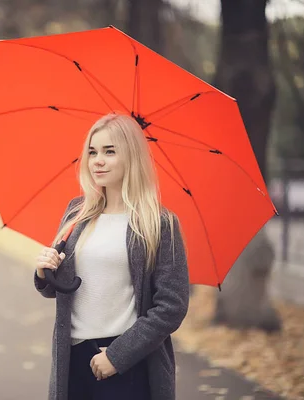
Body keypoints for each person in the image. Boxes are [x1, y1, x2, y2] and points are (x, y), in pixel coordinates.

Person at [33, 112, 190, 400]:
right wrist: (45, 272)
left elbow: (172, 306)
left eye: (109, 151)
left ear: (131, 156)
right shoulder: (77, 213)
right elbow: (63, 289)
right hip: (72, 358)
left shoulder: (159, 223)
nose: (97, 161)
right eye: (92, 152)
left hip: (126, 361)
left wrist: (118, 355)